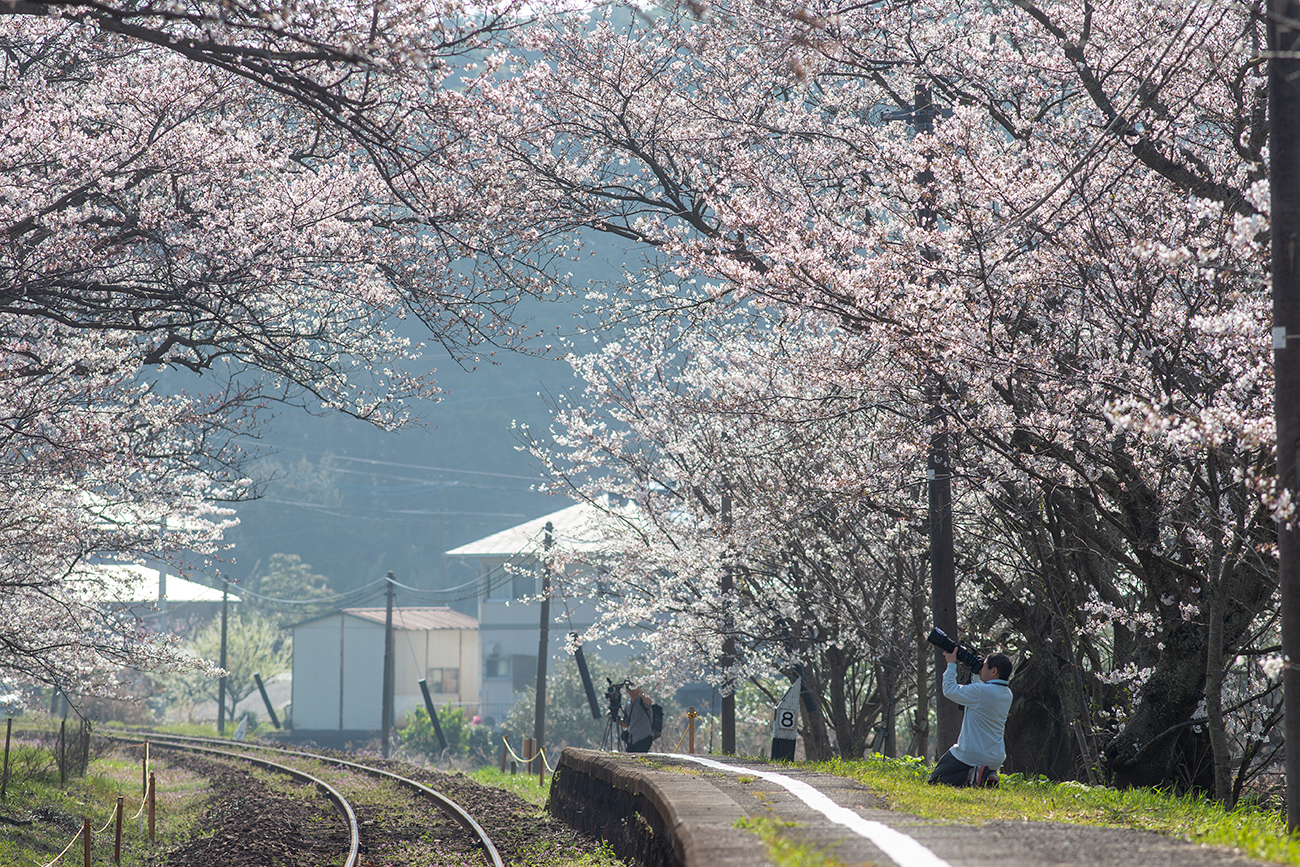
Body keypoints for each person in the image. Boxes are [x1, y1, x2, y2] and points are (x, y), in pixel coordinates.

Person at [928, 650, 1014, 787]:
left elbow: (949, 690)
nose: (981, 668)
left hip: (972, 754)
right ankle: (987, 775)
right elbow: (979, 692)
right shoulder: (1007, 694)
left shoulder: (981, 691)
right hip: (995, 757)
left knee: (936, 779)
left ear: (993, 671)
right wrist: (976, 674)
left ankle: (973, 776)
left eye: (985, 665)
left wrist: (951, 663)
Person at [618, 681, 655, 753]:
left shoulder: (642, 699)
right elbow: (625, 724)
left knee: (639, 760)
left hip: (644, 736)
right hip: (632, 738)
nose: (632, 688)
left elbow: (648, 702)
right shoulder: (628, 704)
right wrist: (615, 718)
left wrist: (639, 689)